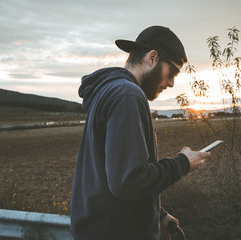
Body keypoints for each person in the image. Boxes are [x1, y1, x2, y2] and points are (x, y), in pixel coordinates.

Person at [70, 25, 211, 240]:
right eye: (171, 72)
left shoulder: (110, 90)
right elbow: (128, 181)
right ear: (152, 58)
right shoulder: (127, 95)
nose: (172, 83)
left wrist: (158, 214)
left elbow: (115, 171)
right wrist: (182, 163)